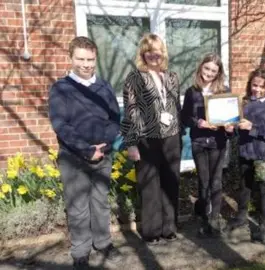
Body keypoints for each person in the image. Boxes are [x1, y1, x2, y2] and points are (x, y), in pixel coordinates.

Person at [48, 36, 121, 269]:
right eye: (80, 59)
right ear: (70, 58)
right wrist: (86, 149)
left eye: (90, 59)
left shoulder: (105, 86)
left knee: (100, 202)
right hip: (73, 157)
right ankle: (80, 250)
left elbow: (115, 118)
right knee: (78, 205)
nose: (86, 64)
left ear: (95, 58)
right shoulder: (61, 88)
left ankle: (103, 242)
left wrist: (105, 145)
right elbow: (61, 125)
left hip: (103, 154)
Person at [121, 33, 182, 245]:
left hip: (172, 138)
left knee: (170, 185)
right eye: (148, 52)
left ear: (162, 52)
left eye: (157, 51)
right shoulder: (135, 77)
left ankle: (169, 227)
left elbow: (177, 107)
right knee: (150, 187)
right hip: (147, 139)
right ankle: (152, 231)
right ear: (143, 54)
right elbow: (130, 111)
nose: (153, 56)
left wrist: (180, 133)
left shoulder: (172, 76)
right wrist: (131, 144)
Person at [226, 67, 265, 243]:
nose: (256, 89)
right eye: (254, 85)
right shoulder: (245, 103)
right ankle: (242, 217)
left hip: (262, 157)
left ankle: (263, 227)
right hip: (246, 154)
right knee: (245, 187)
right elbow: (237, 129)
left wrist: (253, 128)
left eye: (261, 86)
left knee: (263, 189)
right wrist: (231, 129)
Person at [181, 53, 232, 237]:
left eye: (213, 70)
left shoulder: (224, 91)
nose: (209, 73)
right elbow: (185, 117)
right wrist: (198, 123)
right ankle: (203, 220)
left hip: (218, 142)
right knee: (203, 181)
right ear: (201, 66)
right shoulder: (191, 91)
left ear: (219, 73)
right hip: (199, 142)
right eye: (207, 68)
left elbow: (230, 119)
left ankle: (215, 220)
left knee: (216, 181)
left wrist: (229, 127)